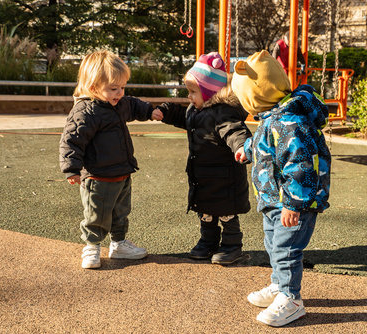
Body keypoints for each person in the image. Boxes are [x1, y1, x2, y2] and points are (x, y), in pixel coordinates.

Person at [232, 50, 331, 327]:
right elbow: (265, 143)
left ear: (255, 97)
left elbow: (300, 165)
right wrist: (248, 150)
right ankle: (279, 285)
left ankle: (292, 299)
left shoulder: (291, 123)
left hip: (292, 204)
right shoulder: (273, 117)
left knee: (287, 249)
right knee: (274, 245)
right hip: (273, 199)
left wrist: (293, 203)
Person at [152, 52, 251, 265]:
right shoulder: (194, 111)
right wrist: (166, 111)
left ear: (209, 92)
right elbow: (182, 117)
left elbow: (234, 131)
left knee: (227, 215)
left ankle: (232, 245)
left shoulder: (223, 113)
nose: (189, 97)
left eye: (193, 92)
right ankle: (208, 242)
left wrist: (242, 146)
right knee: (206, 213)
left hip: (225, 178)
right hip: (203, 176)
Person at [59, 50, 153, 269]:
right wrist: (71, 168)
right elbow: (71, 140)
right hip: (97, 176)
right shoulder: (86, 111)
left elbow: (134, 105)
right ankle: (92, 246)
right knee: (96, 214)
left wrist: (150, 111)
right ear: (93, 88)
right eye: (113, 88)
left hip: (122, 172)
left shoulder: (118, 104)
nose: (119, 93)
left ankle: (118, 243)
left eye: (122, 87)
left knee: (121, 211)